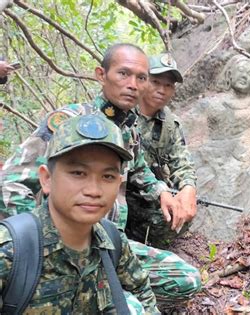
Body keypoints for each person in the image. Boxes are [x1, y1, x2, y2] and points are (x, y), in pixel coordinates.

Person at [0, 43, 198, 305]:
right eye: (123, 74)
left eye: (141, 78)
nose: (133, 84)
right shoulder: (71, 120)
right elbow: (10, 184)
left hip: (109, 243)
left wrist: (161, 191)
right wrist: (38, 243)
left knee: (186, 279)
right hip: (59, 244)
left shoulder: (129, 129)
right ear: (101, 75)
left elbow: (138, 168)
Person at [0, 114, 159, 314]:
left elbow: (142, 291)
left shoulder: (111, 239)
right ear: (47, 179)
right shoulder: (11, 252)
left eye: (107, 176)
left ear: (118, 184)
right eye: (78, 173)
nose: (93, 190)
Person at [126, 53, 202, 304]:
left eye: (168, 85)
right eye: (156, 82)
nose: (162, 90)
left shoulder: (169, 124)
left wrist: (188, 187)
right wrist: (162, 190)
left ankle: (147, 252)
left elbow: (181, 160)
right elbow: (130, 165)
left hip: (150, 198)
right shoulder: (124, 111)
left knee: (179, 212)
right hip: (120, 195)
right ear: (144, 81)